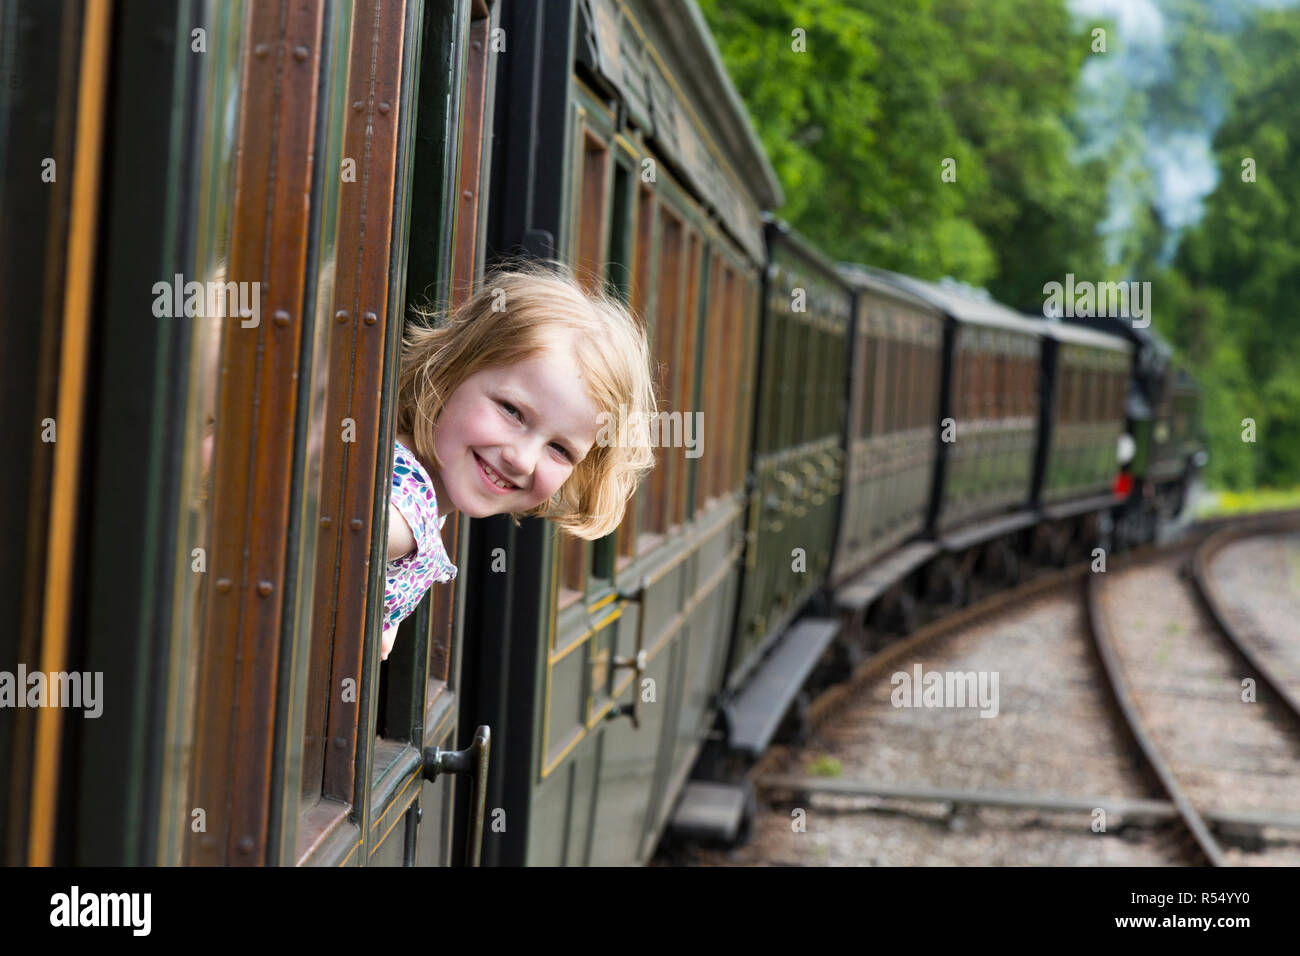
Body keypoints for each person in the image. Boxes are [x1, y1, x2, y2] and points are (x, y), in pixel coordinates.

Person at [381, 260, 658, 660]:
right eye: (512, 411)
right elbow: (349, 530)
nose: (523, 460)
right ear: (451, 369)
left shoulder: (419, 490)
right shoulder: (407, 507)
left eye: (560, 450)